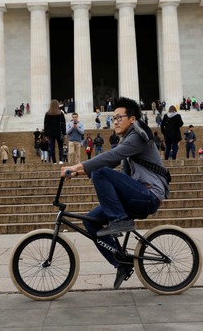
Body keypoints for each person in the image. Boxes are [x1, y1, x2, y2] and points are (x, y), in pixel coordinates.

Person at [60, 97, 170, 289]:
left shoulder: (138, 136)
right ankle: (120, 263)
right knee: (90, 221)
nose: (115, 121)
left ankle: (119, 220)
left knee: (100, 171)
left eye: (120, 117)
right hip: (137, 195)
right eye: (114, 117)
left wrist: (77, 165)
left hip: (149, 195)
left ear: (133, 119)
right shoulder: (129, 139)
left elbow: (111, 157)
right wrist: (77, 172)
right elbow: (112, 162)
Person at [44, 99, 66, 164]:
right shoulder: (60, 113)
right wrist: (64, 133)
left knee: (52, 147)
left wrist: (45, 135)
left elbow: (45, 125)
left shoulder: (47, 114)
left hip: (50, 133)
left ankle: (54, 161)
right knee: (60, 147)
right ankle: (61, 160)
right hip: (59, 132)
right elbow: (63, 124)